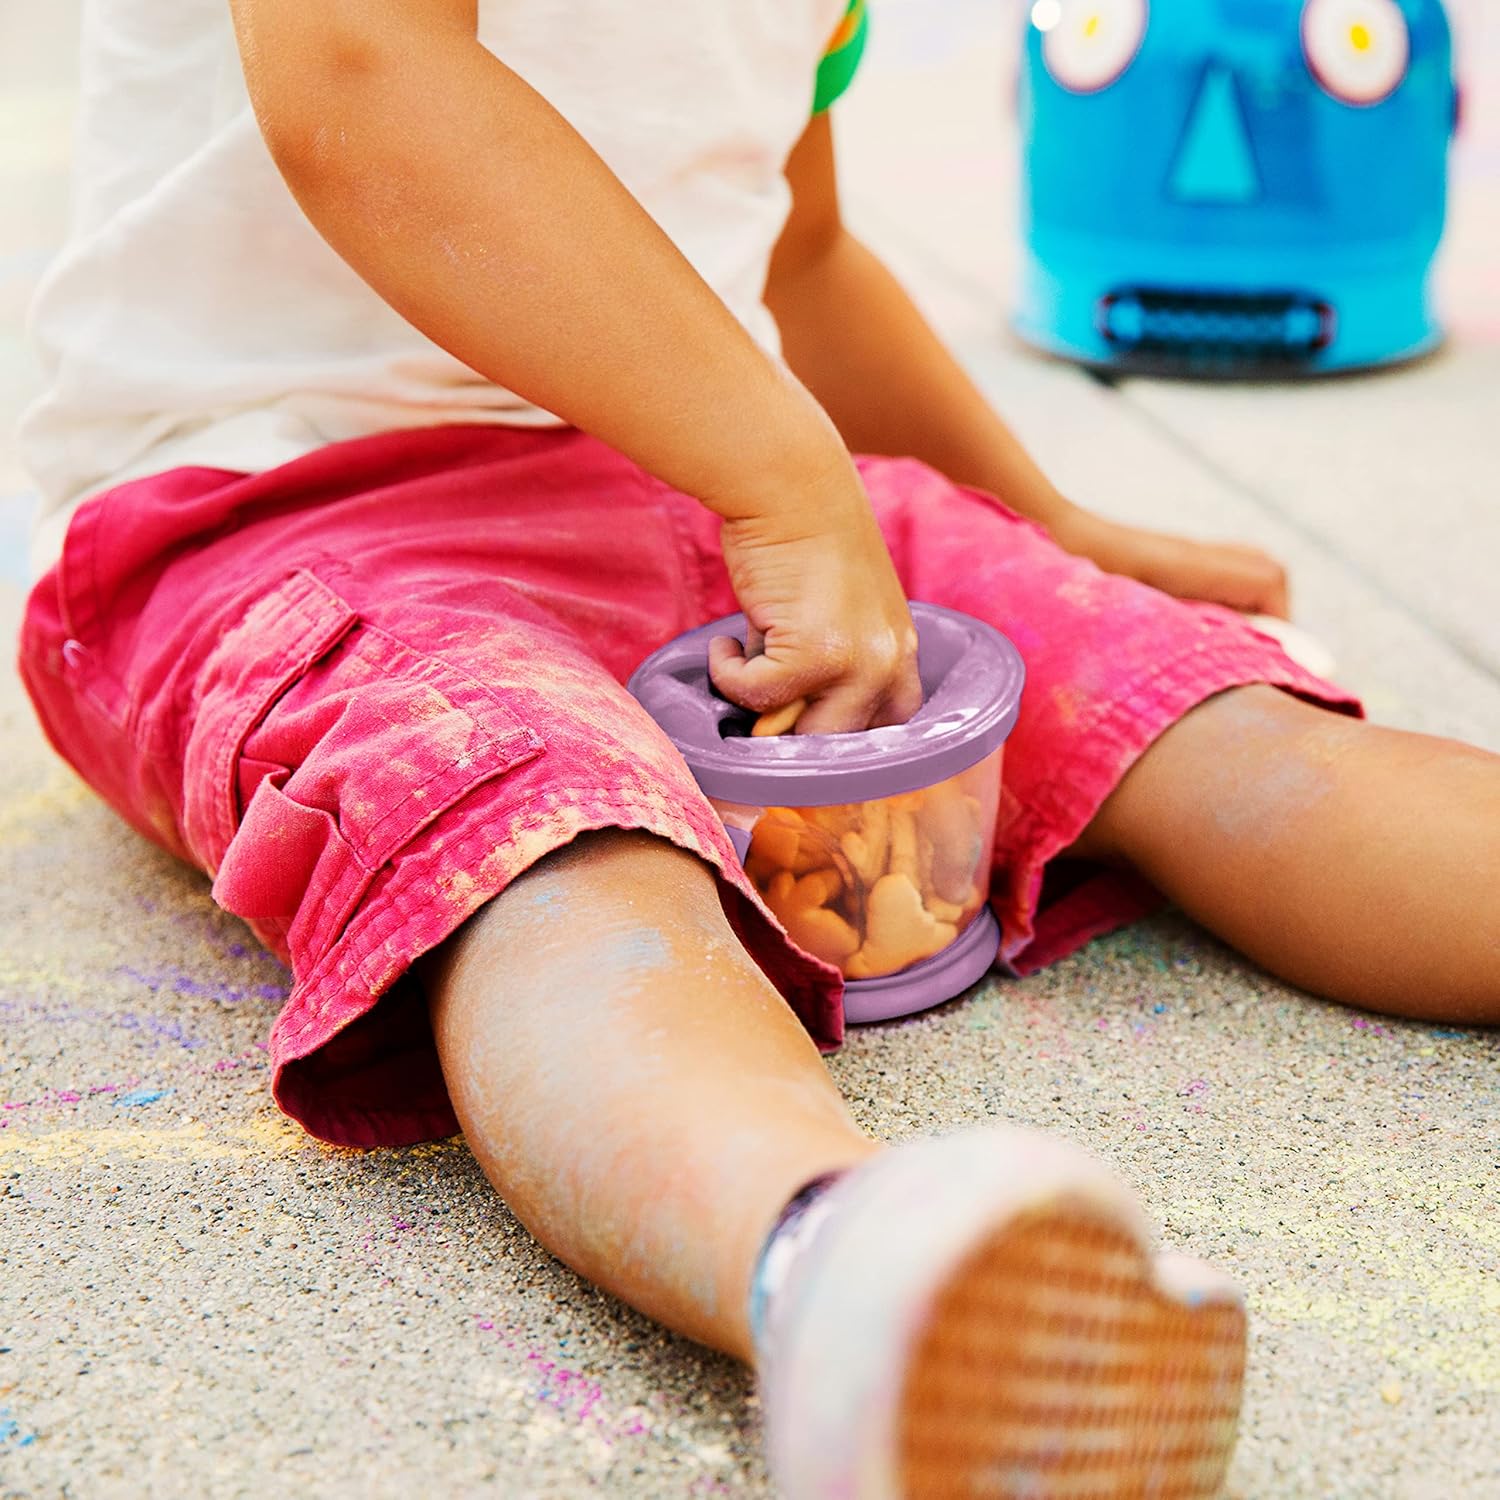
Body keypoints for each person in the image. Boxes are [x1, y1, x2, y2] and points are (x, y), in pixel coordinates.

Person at [16, 1, 1498, 1494]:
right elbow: (360, 74)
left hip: (718, 483)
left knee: (1201, 719)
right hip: (298, 513)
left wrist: (1048, 531)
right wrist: (783, 483)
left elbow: (796, 250)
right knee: (557, 865)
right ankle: (849, 1270)